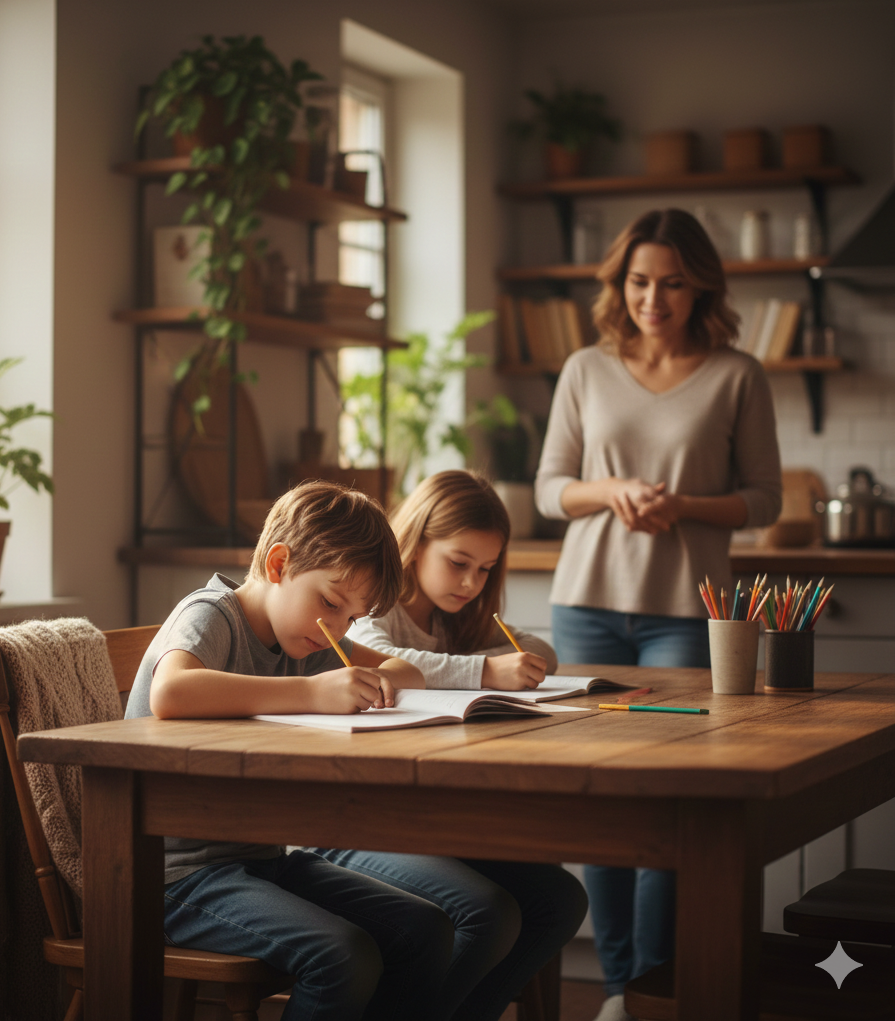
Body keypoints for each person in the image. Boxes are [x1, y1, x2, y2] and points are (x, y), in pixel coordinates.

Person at [534, 208, 782, 1021]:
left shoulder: (739, 373)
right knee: (605, 807)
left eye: (673, 282)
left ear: (701, 284)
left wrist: (682, 507)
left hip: (688, 613)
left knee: (673, 808)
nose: (654, 298)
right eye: (640, 281)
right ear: (620, 285)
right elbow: (548, 489)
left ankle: (654, 988)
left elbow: (765, 499)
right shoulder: (584, 367)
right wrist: (611, 492)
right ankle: (613, 995)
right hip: (585, 610)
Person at [126, 480, 453, 1021]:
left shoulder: (307, 636)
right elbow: (172, 691)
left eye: (353, 617)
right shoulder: (212, 614)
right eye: (330, 602)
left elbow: (404, 667)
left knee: (426, 930)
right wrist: (311, 693)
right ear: (279, 565)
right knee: (341, 956)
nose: (338, 630)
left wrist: (379, 678)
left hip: (258, 861)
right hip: (175, 876)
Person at [317, 469, 589, 1021]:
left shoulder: (457, 620)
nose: (470, 583)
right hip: (354, 816)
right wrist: (487, 669)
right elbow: (388, 664)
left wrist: (515, 659)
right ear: (415, 544)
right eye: (458, 562)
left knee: (561, 900)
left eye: (485, 571)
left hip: (429, 810)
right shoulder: (373, 606)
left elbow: (538, 648)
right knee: (490, 913)